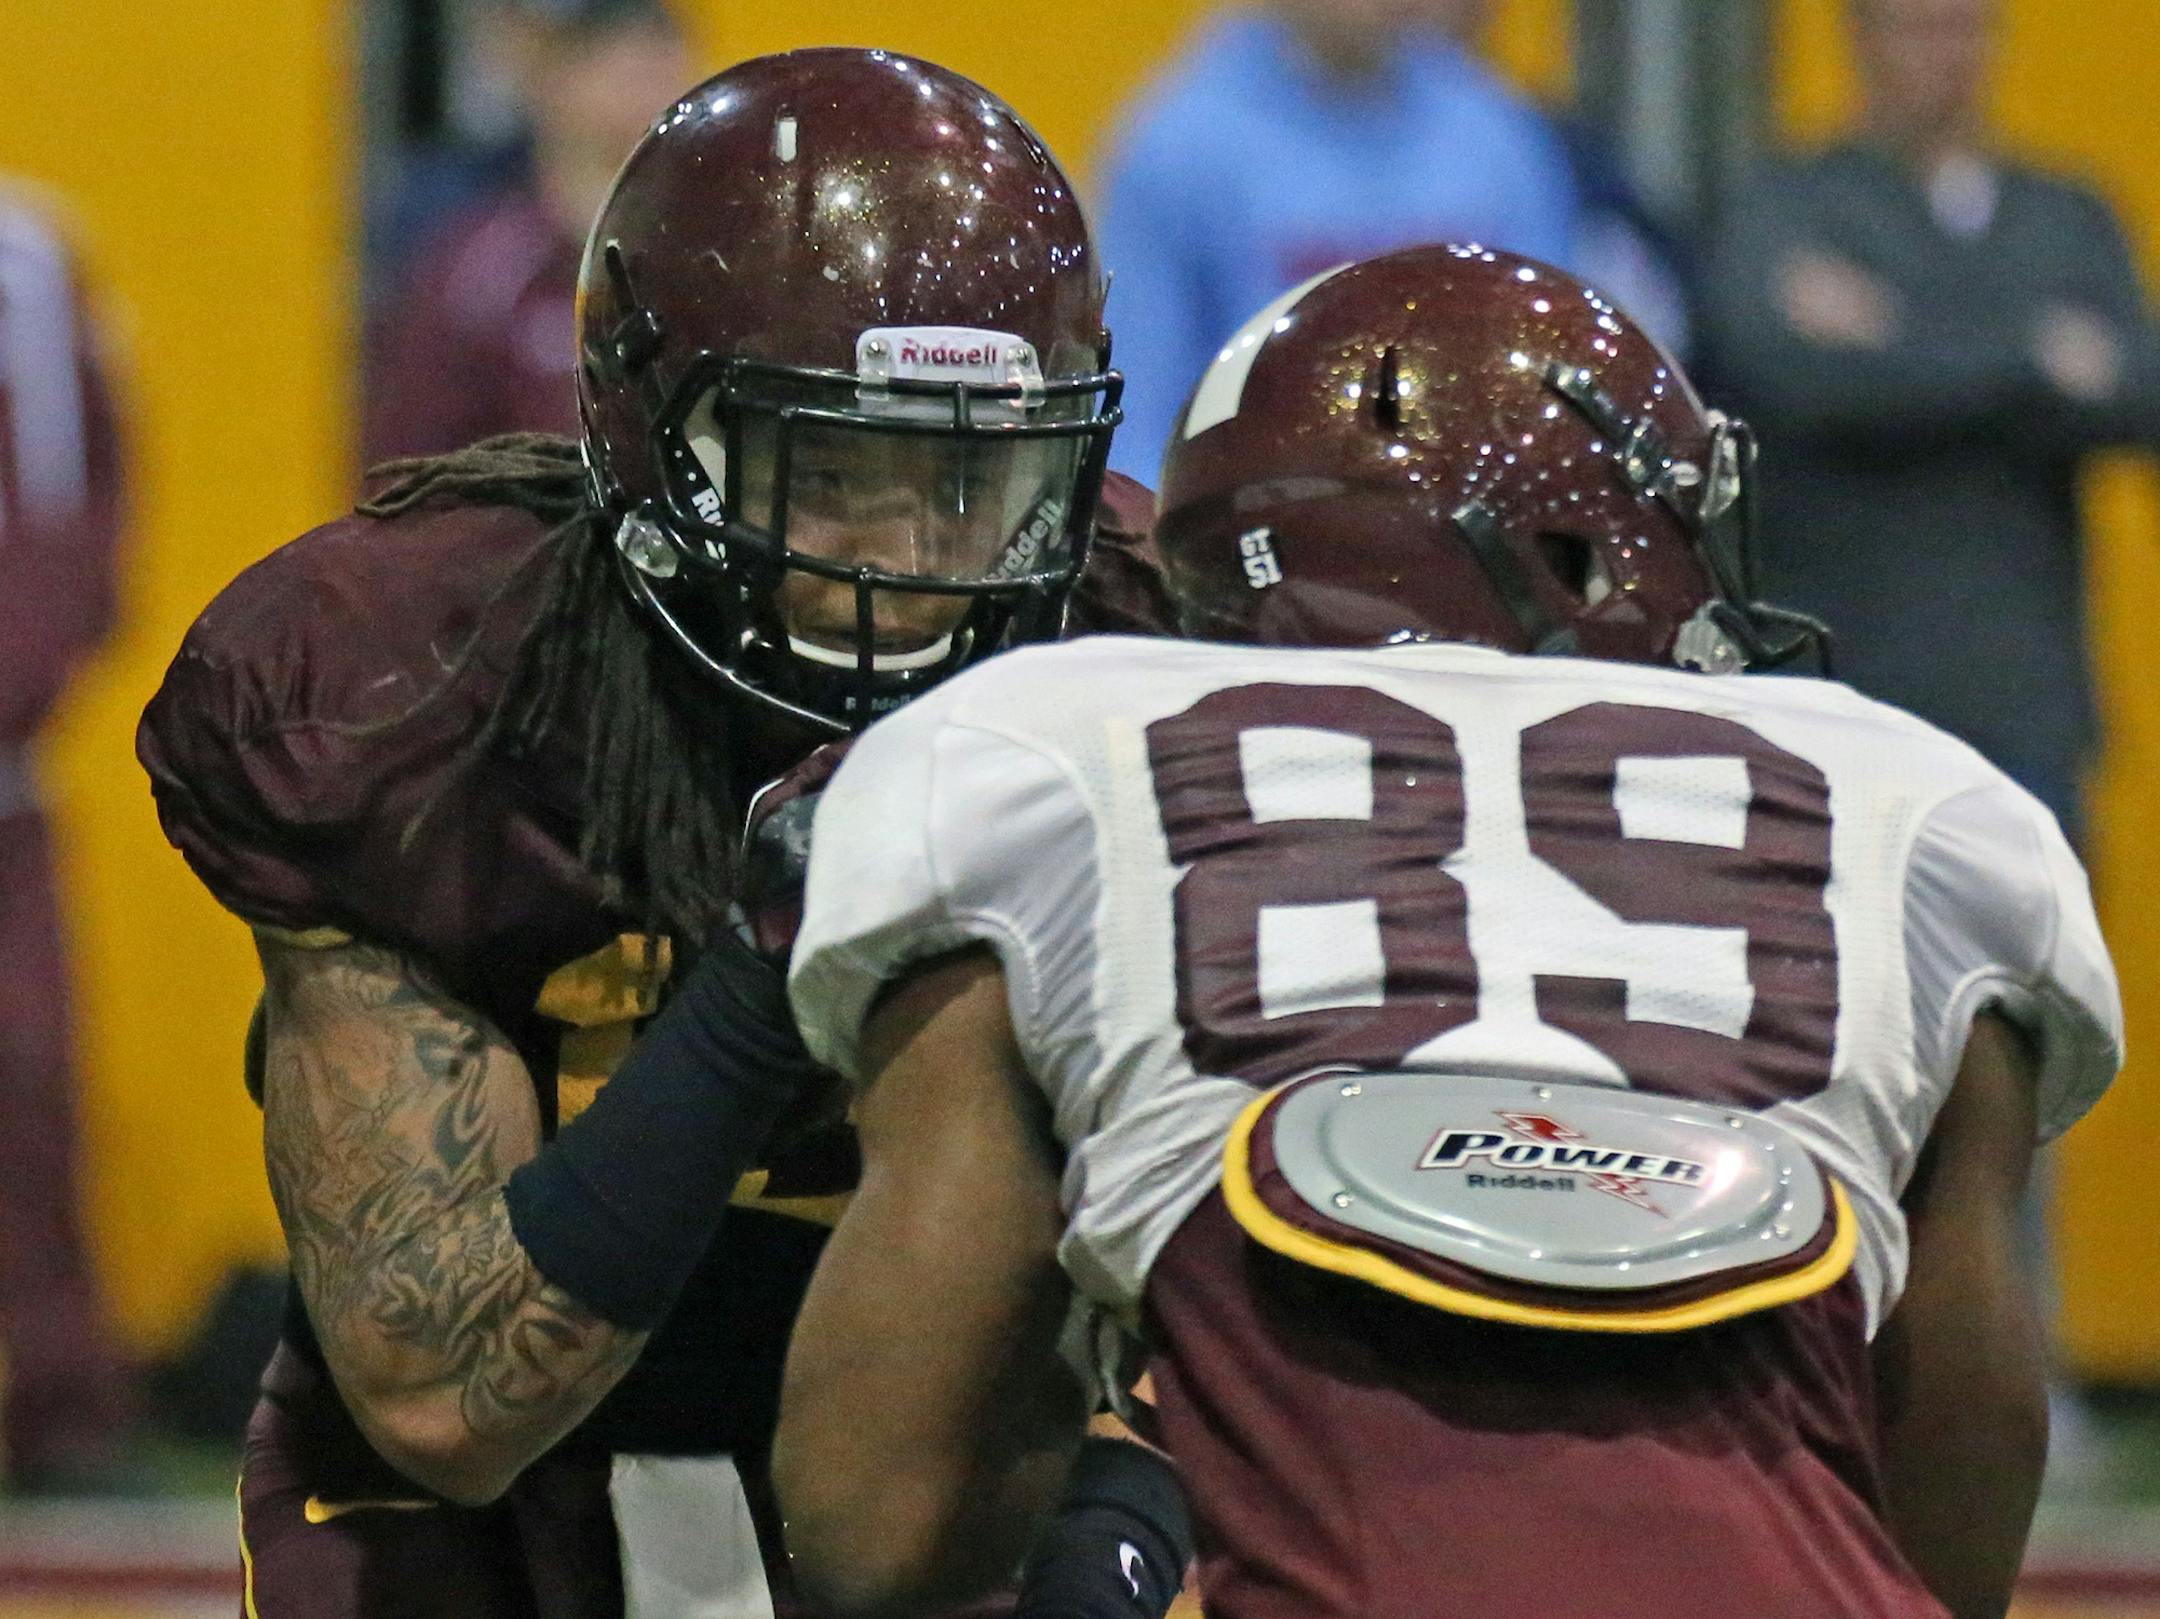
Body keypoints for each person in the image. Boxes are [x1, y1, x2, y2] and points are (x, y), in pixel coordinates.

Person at [771, 245, 2123, 1619]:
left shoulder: (1037, 757)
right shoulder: (1919, 807)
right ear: (1570, 548)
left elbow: (878, 1523)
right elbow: (1961, 1496)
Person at [139, 50, 1183, 1616]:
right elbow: (443, 1402)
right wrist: (769, 967)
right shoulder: (423, 694)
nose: (909, 567)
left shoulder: (1143, 658)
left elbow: (1247, 1266)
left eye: (969, 485)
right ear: (645, 438)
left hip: (947, 1440)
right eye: (831, 475)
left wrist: (1132, 1504)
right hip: (506, 1462)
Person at [1698, 0, 2160, 842]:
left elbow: (2135, 395)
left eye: (1963, 25)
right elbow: (1793, 379)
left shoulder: (2067, 214)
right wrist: (2034, 358)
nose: (1943, 53)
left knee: (2028, 966)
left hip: (2022, 693)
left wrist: (1897, 329)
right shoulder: (1782, 204)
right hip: (1841, 691)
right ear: (1859, 36)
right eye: (1916, 25)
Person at [1093, 0, 1581, 482]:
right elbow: (1133, 418)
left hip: (1468, 515)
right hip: (1255, 521)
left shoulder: (1499, 139)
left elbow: (1551, 381)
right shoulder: (1177, 151)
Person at [0, 186, 135, 1493]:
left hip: (0, 776)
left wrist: (26, 675)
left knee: (29, 1080)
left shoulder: (25, 259)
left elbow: (80, 492)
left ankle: (61, 1404)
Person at [363, 0, 692, 462]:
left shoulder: (713, 253)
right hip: (529, 528)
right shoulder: (481, 269)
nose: (636, 71)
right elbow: (407, 467)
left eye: (654, 48)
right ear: (543, 71)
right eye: (604, 50)